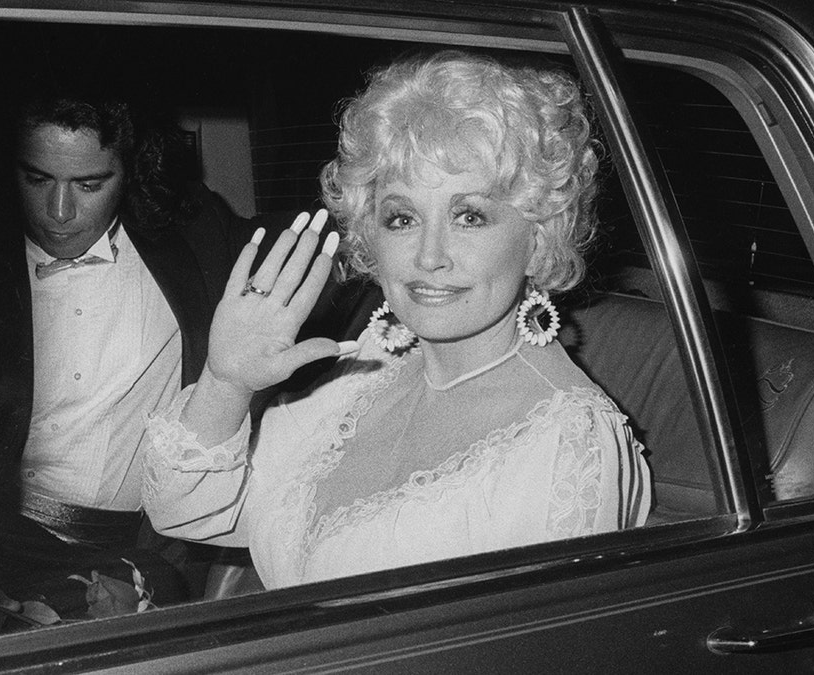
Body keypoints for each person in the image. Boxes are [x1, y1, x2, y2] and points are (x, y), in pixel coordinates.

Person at [140, 50, 653, 590]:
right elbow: (184, 513)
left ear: (539, 238)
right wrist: (226, 385)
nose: (430, 256)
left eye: (469, 216)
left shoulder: (567, 440)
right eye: (403, 218)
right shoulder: (362, 373)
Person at [0, 94, 277, 644]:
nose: (59, 211)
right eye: (38, 179)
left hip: (146, 548)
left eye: (90, 185)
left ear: (132, 171)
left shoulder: (196, 238)